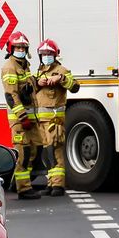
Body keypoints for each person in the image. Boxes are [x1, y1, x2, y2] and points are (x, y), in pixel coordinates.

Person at [33, 39, 79, 197]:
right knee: (47, 152)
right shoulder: (39, 72)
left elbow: (75, 87)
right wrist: (38, 83)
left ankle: (58, 185)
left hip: (55, 120)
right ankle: (52, 183)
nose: (46, 56)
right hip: (41, 120)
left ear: (55, 55)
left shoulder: (62, 70)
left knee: (55, 149)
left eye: (49, 54)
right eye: (43, 54)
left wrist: (61, 79)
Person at [0, 32, 42, 200]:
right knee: (23, 153)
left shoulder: (24, 65)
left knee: (36, 149)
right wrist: (22, 116)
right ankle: (23, 189)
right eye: (17, 47)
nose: (20, 50)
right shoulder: (10, 67)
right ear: (11, 48)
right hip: (20, 120)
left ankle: (16, 182)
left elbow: (28, 89)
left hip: (30, 119)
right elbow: (11, 96)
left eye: (23, 47)